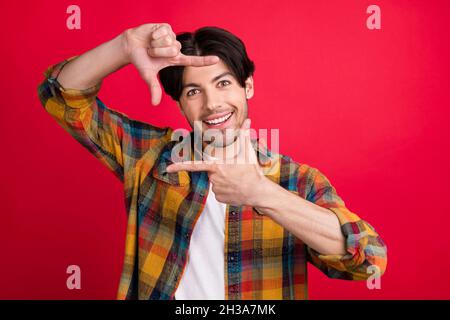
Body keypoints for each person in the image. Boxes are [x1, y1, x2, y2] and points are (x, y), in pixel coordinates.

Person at [37, 23, 387, 300]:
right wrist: (124, 45)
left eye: (223, 84)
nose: (212, 103)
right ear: (180, 103)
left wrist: (262, 193)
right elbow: (60, 97)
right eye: (193, 91)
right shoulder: (150, 156)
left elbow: (369, 260)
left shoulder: (297, 181)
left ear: (247, 86)